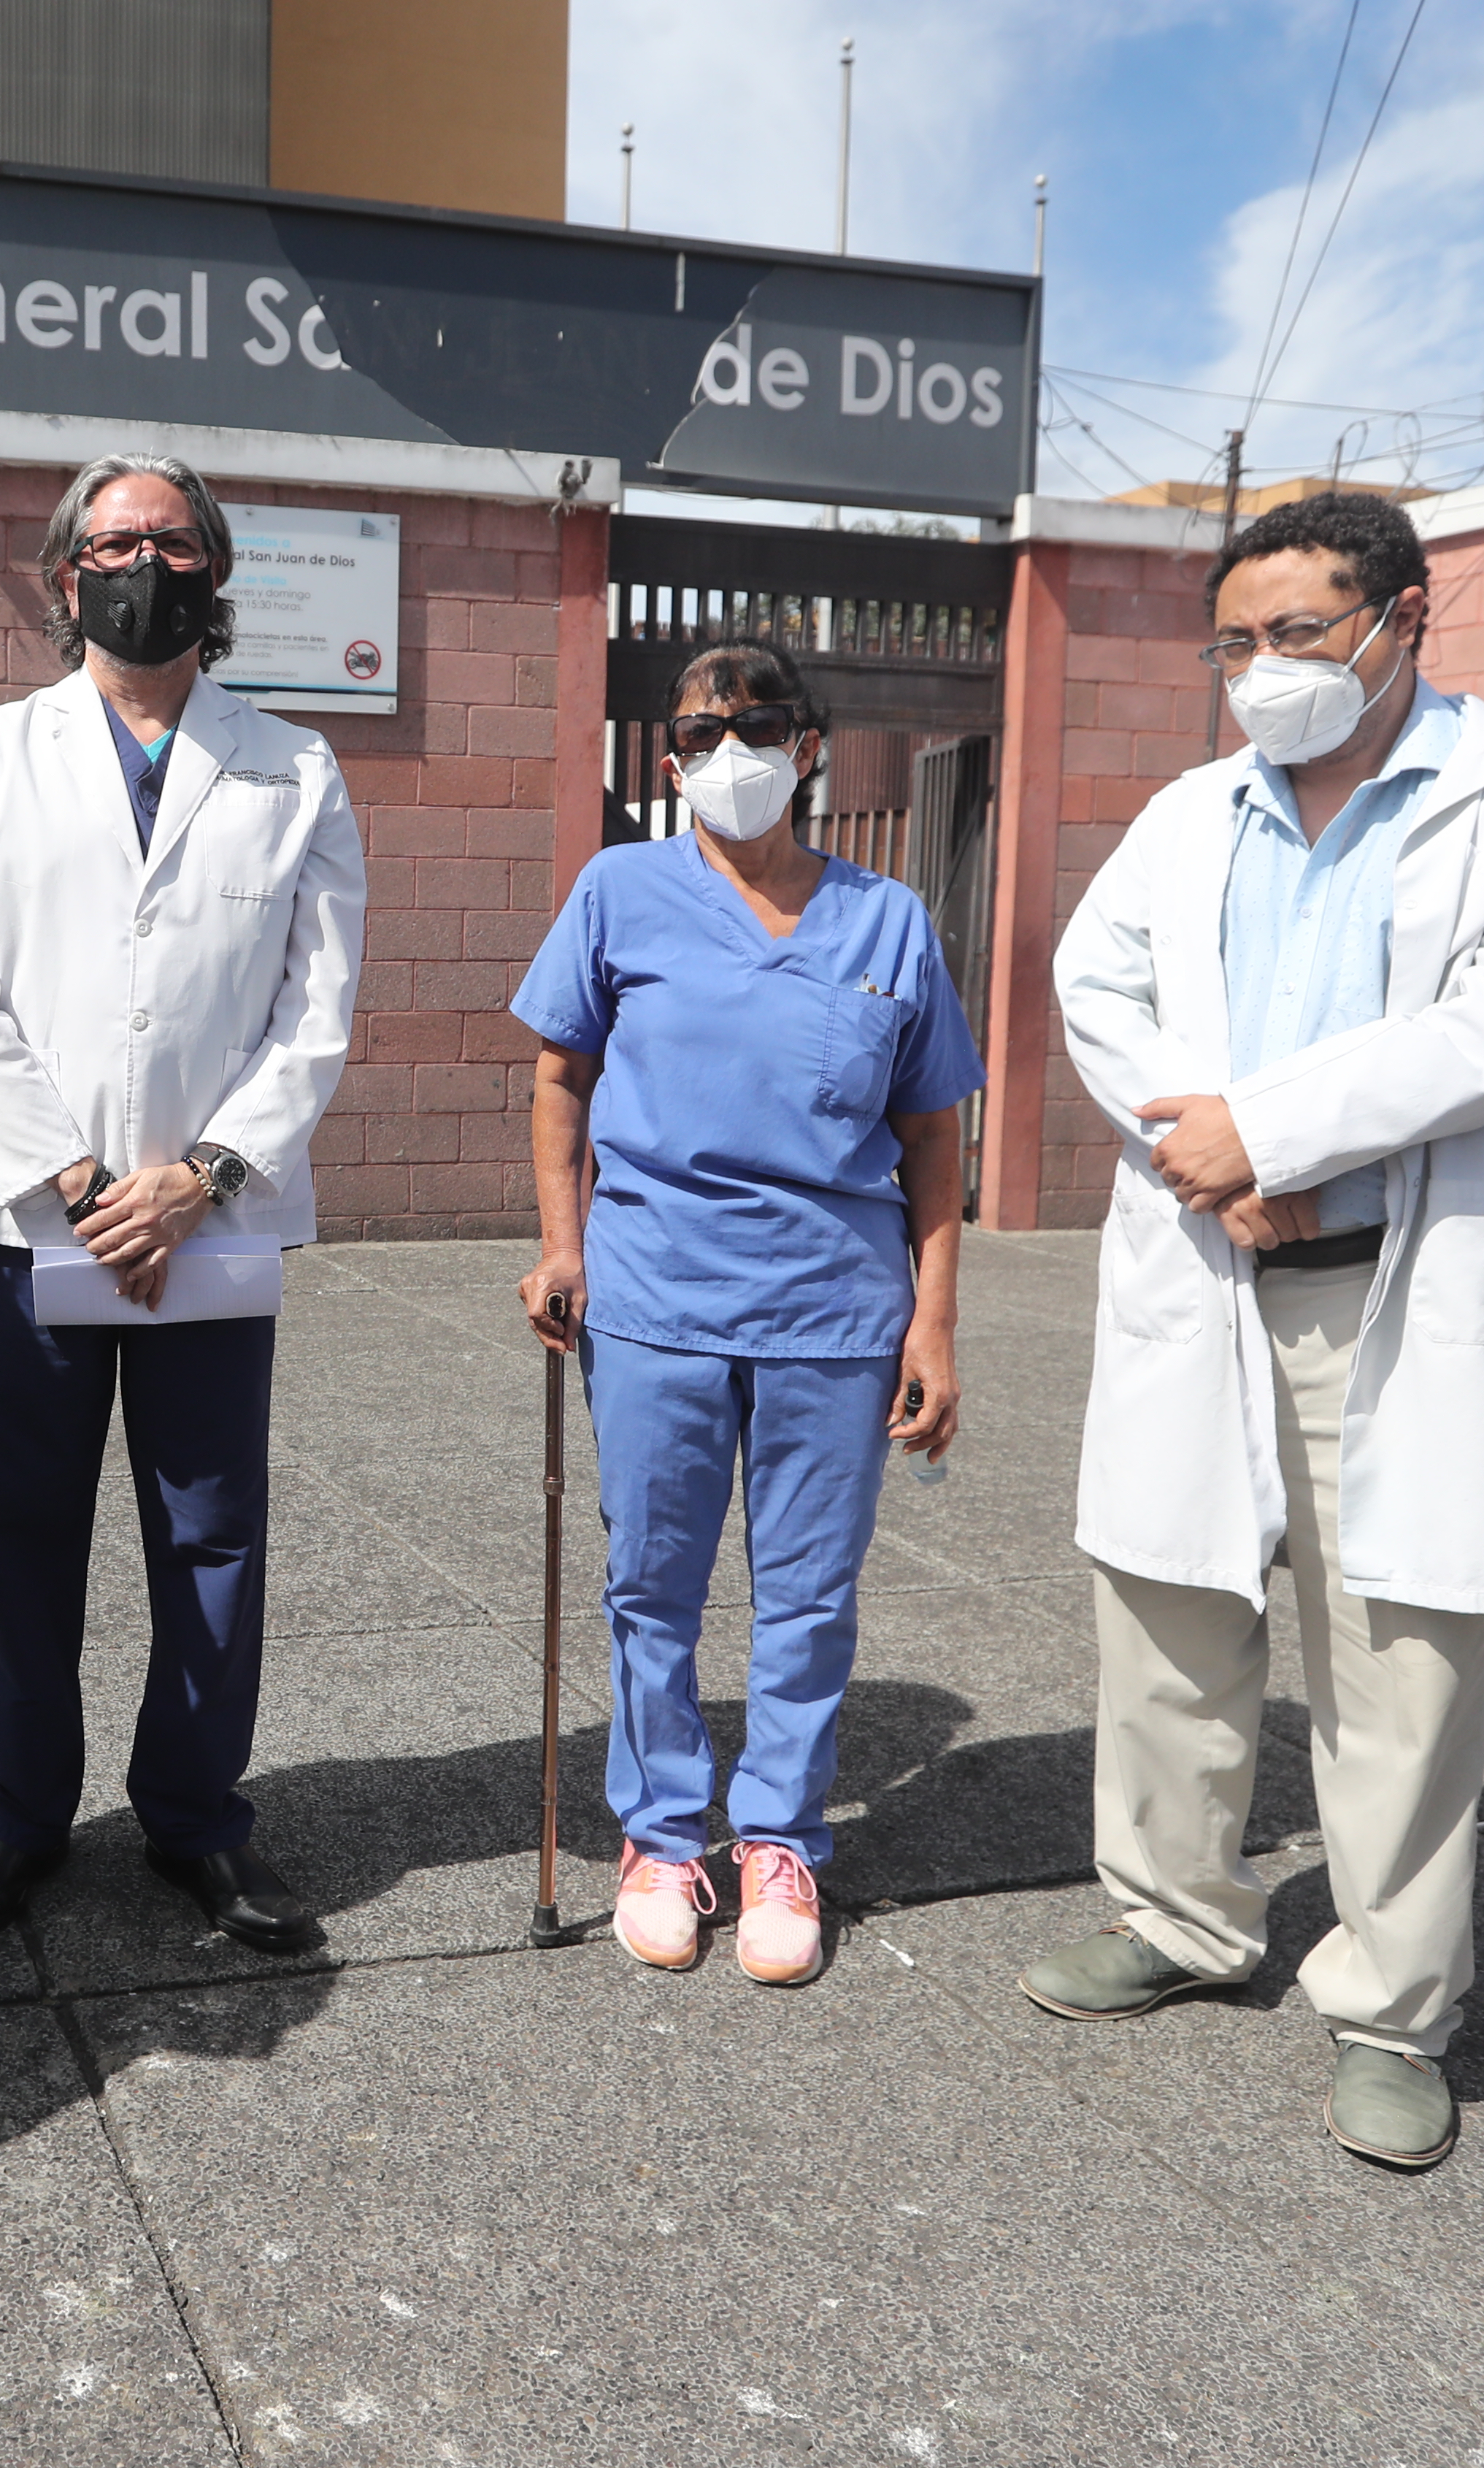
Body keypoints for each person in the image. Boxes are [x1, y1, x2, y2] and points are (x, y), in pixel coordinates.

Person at [1029, 488, 1484, 2172]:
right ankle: (1177, 1919)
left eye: (1297, 629)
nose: (1261, 669)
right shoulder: (1184, 815)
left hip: (1401, 1288)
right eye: (1232, 640)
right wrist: (1206, 1157)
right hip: (1204, 1267)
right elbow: (1098, 991)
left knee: (1400, 1674)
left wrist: (1274, 1135)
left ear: (1400, 617)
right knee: (1161, 1619)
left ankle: (1389, 2009)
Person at [0, 453, 366, 1953]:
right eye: (114, 543)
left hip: (213, 1230)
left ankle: (197, 1820)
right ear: (64, 578)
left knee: (212, 1534)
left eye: (173, 542)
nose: (143, 564)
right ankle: (23, 1816)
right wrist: (84, 1179)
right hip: (36, 1221)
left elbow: (319, 1008)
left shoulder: (296, 767)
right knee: (25, 1526)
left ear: (215, 574)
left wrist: (201, 1177)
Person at [510, 644, 978, 1985]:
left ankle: (777, 1835)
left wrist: (932, 1328)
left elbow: (932, 1135)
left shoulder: (886, 919)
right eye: (704, 732)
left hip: (835, 1308)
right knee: (650, 1577)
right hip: (656, 1295)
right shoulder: (620, 892)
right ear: (669, 765)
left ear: (809, 745)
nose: (732, 750)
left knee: (809, 1593)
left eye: (758, 724)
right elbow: (561, 1080)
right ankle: (661, 1834)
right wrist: (561, 1244)